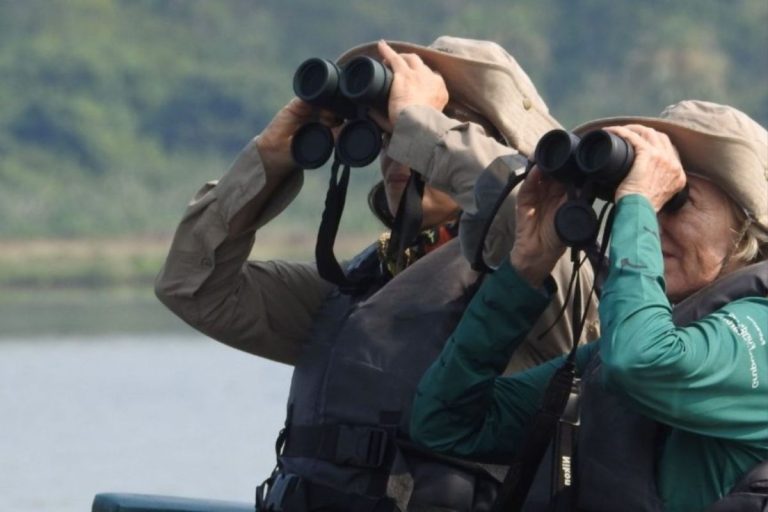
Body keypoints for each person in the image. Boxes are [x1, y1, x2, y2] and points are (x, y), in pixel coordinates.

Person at [155, 37, 599, 511]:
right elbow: (193, 286)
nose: (399, 152)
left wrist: (424, 128)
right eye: (389, 132)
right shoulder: (356, 288)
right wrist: (268, 156)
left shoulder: (546, 272)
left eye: (441, 127)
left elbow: (524, 215)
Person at [410, 99, 768, 511]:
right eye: (637, 202)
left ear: (745, 224)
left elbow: (643, 363)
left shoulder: (754, 332)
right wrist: (526, 269)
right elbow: (447, 424)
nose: (651, 223)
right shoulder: (635, 345)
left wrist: (637, 200)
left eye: (675, 202)